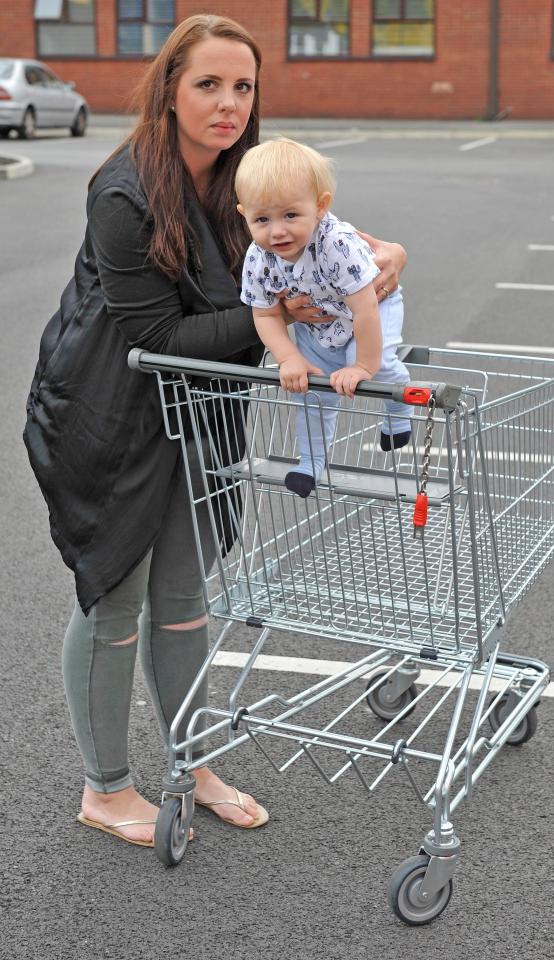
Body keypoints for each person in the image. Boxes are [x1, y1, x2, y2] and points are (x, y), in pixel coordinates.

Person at [23, 14, 407, 848]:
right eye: (208, 84)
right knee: (116, 593)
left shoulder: (251, 180)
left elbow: (326, 240)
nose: (228, 103)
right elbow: (156, 340)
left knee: (185, 598)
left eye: (243, 87)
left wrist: (387, 255)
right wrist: (274, 313)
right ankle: (106, 788)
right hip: (110, 414)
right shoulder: (124, 192)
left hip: (201, 411)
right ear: (170, 90)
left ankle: (192, 763)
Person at [236, 138, 413, 499]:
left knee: (373, 369)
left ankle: (399, 407)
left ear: (320, 207)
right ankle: (310, 462)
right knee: (311, 392)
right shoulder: (258, 257)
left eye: (290, 215)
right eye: (262, 219)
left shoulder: (336, 245)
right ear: (244, 215)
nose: (277, 231)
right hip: (320, 322)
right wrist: (289, 358)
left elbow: (365, 309)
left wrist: (362, 366)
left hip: (372, 307)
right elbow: (266, 312)